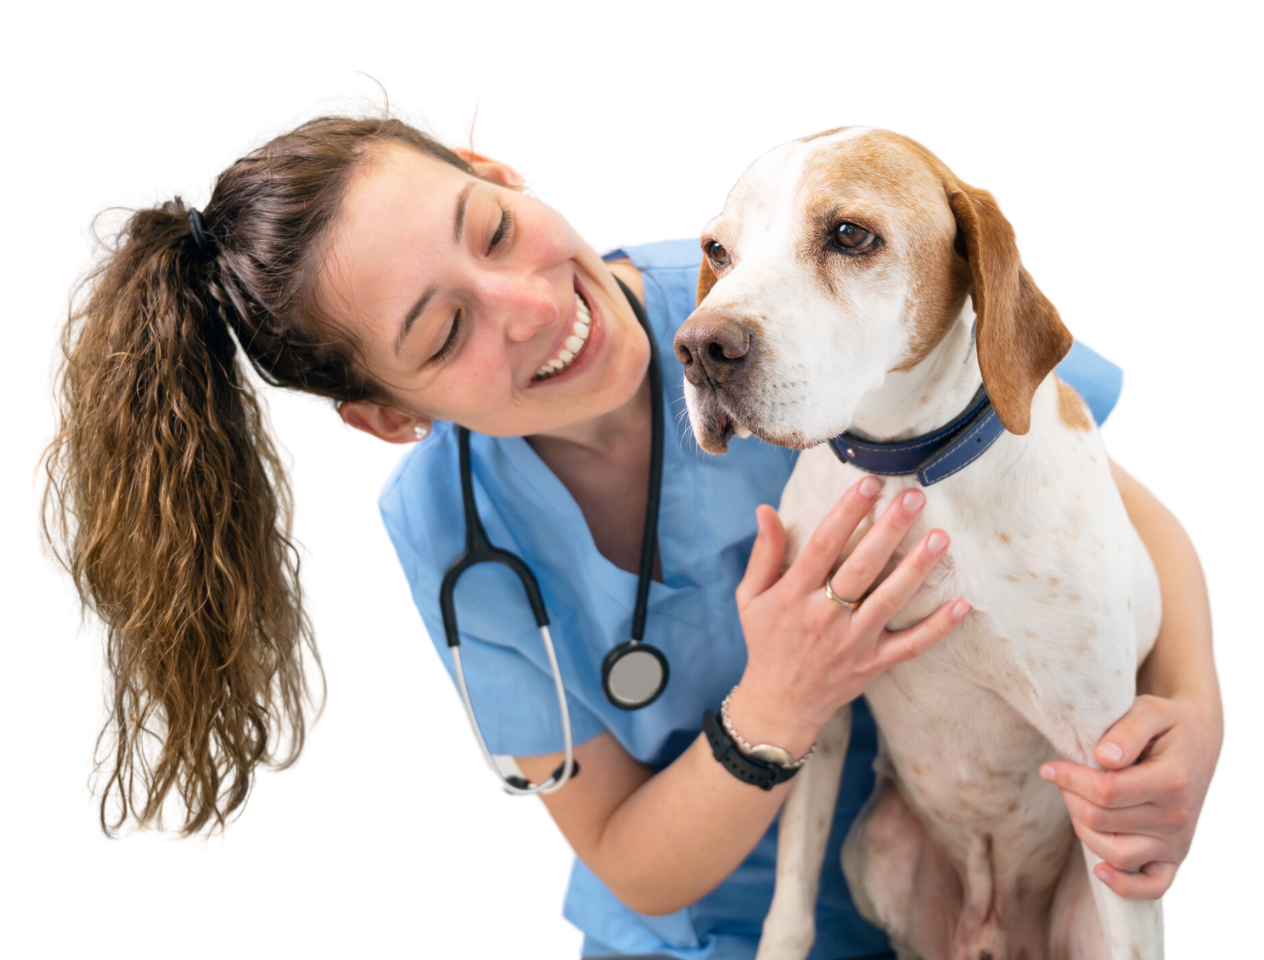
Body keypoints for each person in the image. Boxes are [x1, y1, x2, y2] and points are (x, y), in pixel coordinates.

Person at [43, 116, 1222, 959]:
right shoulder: (453, 533)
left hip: (899, 898)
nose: (529, 305)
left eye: (490, 229)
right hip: (696, 932)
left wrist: (1193, 712)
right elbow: (627, 856)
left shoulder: (753, 309)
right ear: (389, 416)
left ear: (500, 173)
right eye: (445, 331)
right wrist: (782, 698)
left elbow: (1098, 511)